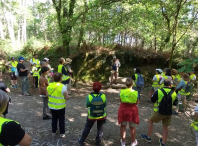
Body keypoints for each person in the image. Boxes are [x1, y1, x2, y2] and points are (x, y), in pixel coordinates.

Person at [141, 79, 177, 146]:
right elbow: (175, 102)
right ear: (171, 85)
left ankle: (148, 137)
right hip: (169, 112)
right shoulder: (174, 93)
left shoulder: (159, 91)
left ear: (164, 84)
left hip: (159, 111)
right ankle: (163, 143)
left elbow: (152, 100)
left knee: (150, 121)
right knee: (165, 127)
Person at [47, 73, 69, 138]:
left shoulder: (50, 85)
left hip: (52, 106)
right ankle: (62, 133)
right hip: (60, 106)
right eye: (61, 77)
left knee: (54, 119)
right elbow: (67, 97)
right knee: (61, 119)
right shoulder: (63, 86)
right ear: (60, 79)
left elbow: (47, 95)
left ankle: (54, 131)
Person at [118, 78, 139, 146]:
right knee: (132, 127)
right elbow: (137, 102)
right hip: (132, 110)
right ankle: (133, 142)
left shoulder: (121, 91)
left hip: (123, 110)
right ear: (132, 84)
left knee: (123, 126)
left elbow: (120, 100)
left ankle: (123, 142)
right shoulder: (136, 92)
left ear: (125, 84)